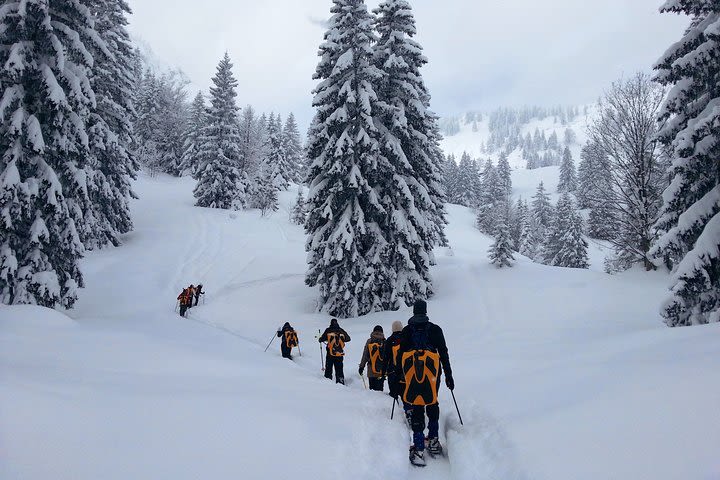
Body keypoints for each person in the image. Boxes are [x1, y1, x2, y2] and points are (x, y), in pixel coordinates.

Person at [396, 300, 454, 467]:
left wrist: (400, 376)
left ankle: (419, 448)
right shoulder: (435, 330)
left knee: (417, 407)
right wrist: (449, 375)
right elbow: (443, 353)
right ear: (425, 311)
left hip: (412, 376)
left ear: (414, 312)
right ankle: (434, 441)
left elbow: (400, 356)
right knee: (432, 402)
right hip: (433, 376)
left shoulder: (407, 331)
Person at [382, 320, 413, 426]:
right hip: (406, 372)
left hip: (393, 372)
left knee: (394, 394)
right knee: (406, 393)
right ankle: (409, 410)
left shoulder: (390, 340)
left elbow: (386, 357)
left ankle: (397, 418)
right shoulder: (407, 339)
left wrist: (383, 372)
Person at [318, 318, 351, 385]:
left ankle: (327, 383)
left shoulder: (328, 330)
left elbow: (322, 338)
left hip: (330, 353)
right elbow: (348, 338)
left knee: (329, 368)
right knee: (339, 369)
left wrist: (320, 339)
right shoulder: (341, 330)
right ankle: (340, 382)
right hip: (339, 354)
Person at [358, 325, 386, 392]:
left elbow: (365, 355)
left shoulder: (370, 341)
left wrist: (361, 367)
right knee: (380, 392)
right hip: (381, 371)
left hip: (371, 370)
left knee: (372, 391)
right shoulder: (384, 341)